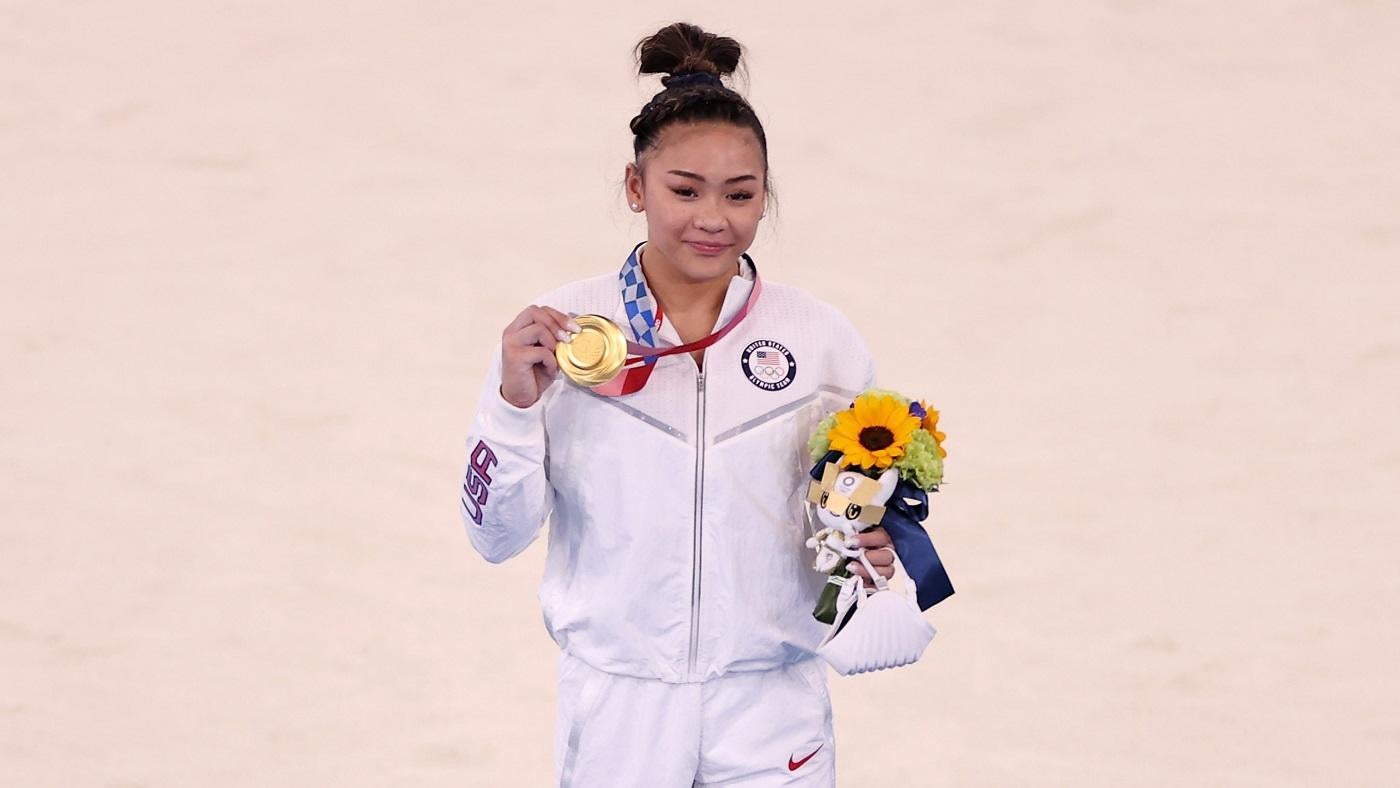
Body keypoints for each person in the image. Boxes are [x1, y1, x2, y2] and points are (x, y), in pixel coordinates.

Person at [459, 22, 897, 787]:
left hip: (771, 702)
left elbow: (856, 513)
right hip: (621, 705)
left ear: (766, 194)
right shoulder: (563, 333)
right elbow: (494, 538)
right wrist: (513, 408)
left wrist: (872, 545)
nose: (712, 218)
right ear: (636, 188)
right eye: (684, 190)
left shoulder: (820, 340)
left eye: (740, 194)